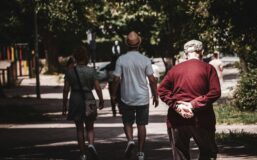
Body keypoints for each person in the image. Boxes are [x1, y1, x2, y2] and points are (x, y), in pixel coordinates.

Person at [158, 40, 221, 160]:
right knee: (208, 152)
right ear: (202, 52)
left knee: (180, 153)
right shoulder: (208, 69)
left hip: (176, 119)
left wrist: (177, 106)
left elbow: (161, 90)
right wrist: (193, 104)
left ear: (186, 54)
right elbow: (215, 92)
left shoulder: (174, 70)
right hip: (202, 119)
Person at [110, 31, 159, 160]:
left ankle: (130, 140)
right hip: (142, 97)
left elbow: (116, 79)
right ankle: (141, 152)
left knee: (127, 122)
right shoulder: (145, 60)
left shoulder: (121, 59)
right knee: (141, 125)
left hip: (126, 97)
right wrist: (155, 95)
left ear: (127, 44)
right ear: (139, 44)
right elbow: (152, 80)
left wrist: (113, 95)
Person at [63, 46, 104, 160]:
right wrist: (101, 99)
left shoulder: (70, 72)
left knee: (79, 128)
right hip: (89, 98)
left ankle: (83, 154)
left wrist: (64, 104)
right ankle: (91, 144)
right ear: (86, 57)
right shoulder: (91, 71)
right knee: (90, 127)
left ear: (75, 57)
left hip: (75, 98)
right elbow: (97, 87)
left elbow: (66, 89)